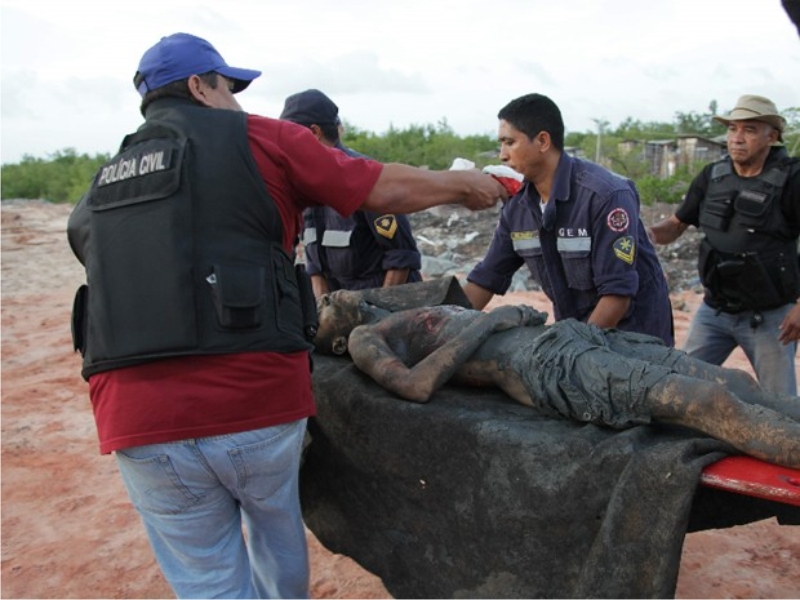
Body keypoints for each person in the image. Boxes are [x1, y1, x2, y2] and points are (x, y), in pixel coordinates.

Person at [66, 33, 507, 599]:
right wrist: (461, 184)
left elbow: (87, 242)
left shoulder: (107, 177)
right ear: (201, 87)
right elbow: (377, 185)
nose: (239, 102)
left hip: (136, 419)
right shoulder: (261, 139)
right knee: (275, 536)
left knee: (206, 577)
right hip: (253, 402)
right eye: (231, 87)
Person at [313, 288, 800, 470]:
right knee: (706, 402)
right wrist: (490, 321)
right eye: (322, 309)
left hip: (567, 338)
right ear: (336, 343)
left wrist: (504, 316)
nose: (328, 298)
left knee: (737, 385)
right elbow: (416, 386)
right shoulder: (365, 339)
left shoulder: (393, 304)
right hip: (547, 368)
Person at [464, 93, 675, 346]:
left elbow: (617, 296)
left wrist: (569, 353)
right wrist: (439, 323)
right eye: (501, 144)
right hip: (576, 334)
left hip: (634, 342)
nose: (502, 155)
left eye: (510, 142)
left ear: (542, 141)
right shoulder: (518, 207)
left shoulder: (605, 196)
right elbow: (487, 278)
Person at [648, 94, 800, 395]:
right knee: (678, 386)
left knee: (781, 405)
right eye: (733, 129)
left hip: (771, 317)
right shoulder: (712, 176)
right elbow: (676, 225)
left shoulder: (792, 178)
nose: (737, 138)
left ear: (772, 136)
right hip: (714, 310)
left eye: (750, 130)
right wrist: (643, 235)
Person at [280, 88, 423, 298]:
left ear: (314, 133)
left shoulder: (367, 178)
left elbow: (401, 257)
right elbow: (315, 265)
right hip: (343, 313)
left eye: (289, 136)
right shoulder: (303, 185)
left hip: (387, 309)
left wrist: (375, 315)